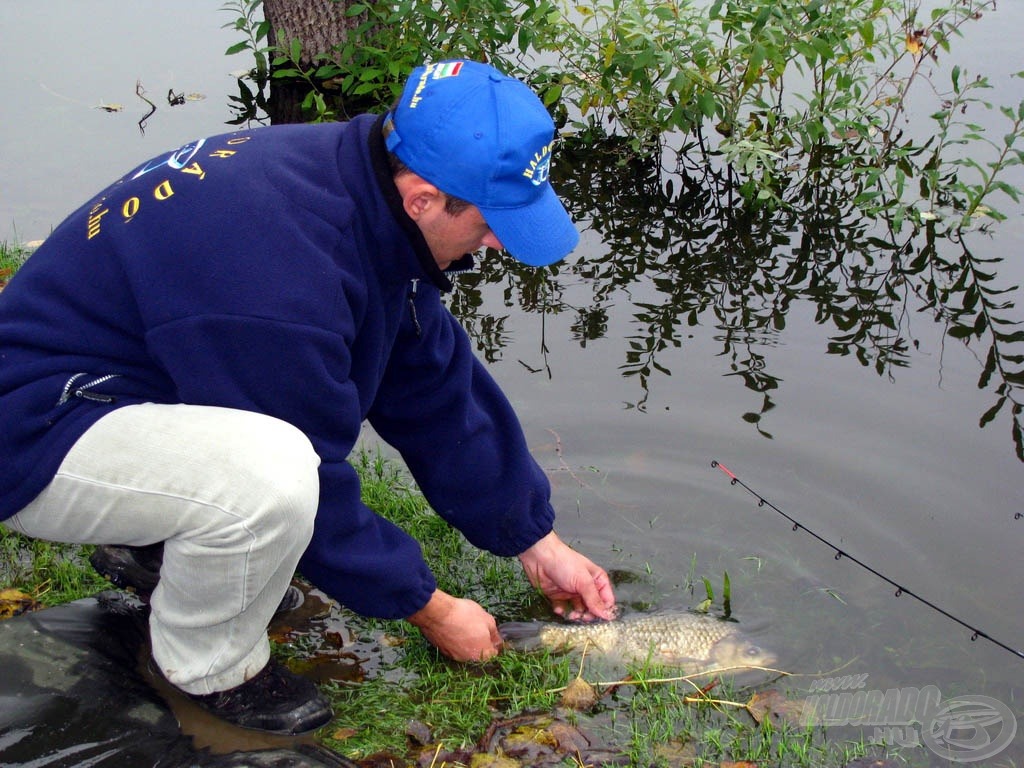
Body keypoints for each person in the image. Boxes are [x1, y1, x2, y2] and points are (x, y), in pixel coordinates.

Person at [0, 59, 616, 735]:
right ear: (422, 198)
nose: (497, 242)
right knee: (272, 480)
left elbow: (435, 389)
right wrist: (432, 607)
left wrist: (533, 538)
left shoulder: (358, 184)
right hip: (37, 428)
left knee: (265, 475)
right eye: (492, 222)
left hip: (129, 386)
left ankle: (164, 548)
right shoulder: (283, 275)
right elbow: (312, 483)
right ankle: (206, 666)